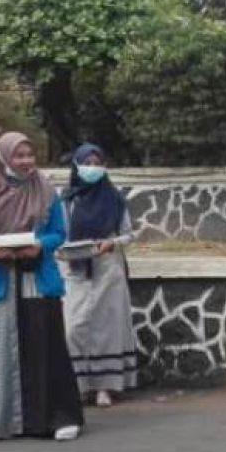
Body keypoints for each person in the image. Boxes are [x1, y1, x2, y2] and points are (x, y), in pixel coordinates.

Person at [0, 133, 84, 441]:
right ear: (2, 158)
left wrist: (40, 246)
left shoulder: (45, 191)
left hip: (36, 279)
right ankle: (2, 420)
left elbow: (59, 231)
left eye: (30, 155)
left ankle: (54, 418)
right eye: (19, 156)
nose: (26, 161)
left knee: (45, 346)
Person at [59, 144, 137, 408]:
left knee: (107, 327)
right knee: (74, 327)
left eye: (97, 162)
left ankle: (105, 387)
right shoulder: (68, 200)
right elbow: (60, 234)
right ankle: (79, 385)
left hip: (107, 269)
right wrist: (60, 251)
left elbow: (128, 233)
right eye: (87, 162)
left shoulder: (114, 198)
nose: (93, 167)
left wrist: (112, 242)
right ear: (77, 166)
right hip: (75, 270)